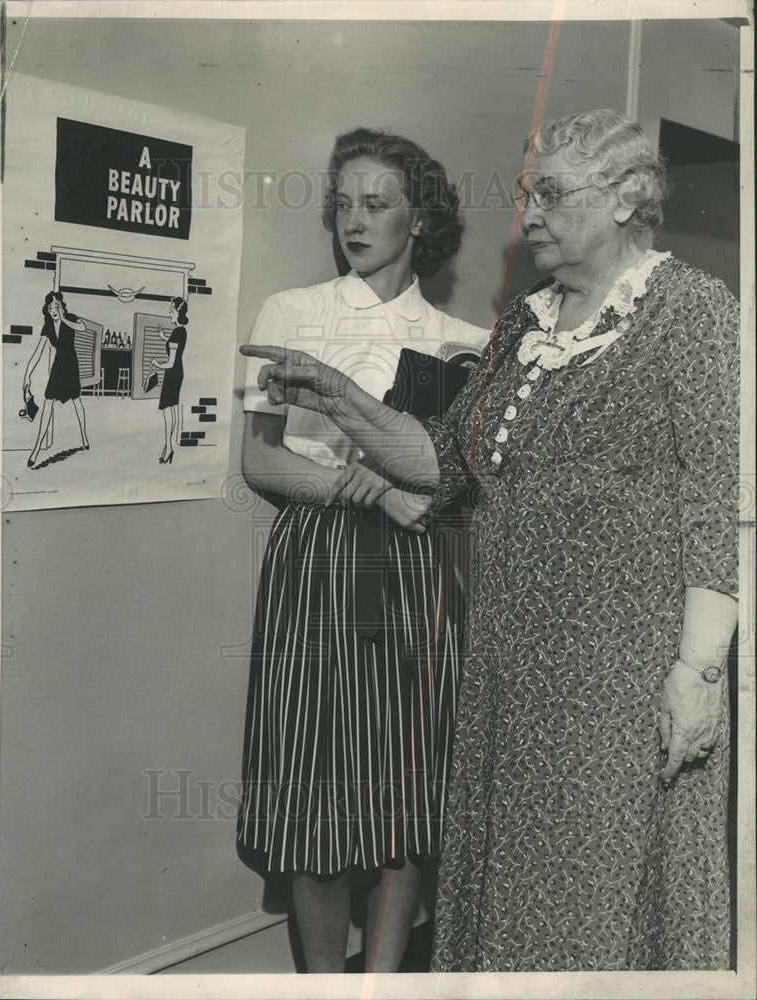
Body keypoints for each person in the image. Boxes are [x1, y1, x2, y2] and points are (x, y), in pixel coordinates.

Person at [241, 109, 739, 972]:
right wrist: (336, 395)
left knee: (592, 894)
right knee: (506, 886)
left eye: (550, 194)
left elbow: (719, 502)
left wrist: (699, 672)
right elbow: (443, 459)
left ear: (626, 201)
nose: (529, 215)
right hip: (507, 664)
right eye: (526, 195)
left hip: (618, 673)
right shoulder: (525, 323)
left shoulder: (692, 312)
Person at [237, 126, 488, 973]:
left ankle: (381, 983)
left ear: (420, 219)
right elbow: (260, 459)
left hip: (421, 570)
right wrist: (371, 489)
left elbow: (453, 482)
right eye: (343, 203)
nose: (354, 219)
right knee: (312, 783)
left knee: (406, 788)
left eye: (376, 204)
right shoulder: (292, 312)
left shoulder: (463, 340)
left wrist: (401, 491)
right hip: (315, 561)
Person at [23, 291, 90, 467]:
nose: (54, 310)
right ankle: (36, 450)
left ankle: (84, 437)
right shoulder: (47, 327)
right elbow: (38, 353)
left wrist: (64, 318)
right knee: (48, 402)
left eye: (57, 306)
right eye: (51, 307)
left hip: (71, 365)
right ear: (47, 309)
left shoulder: (72, 318)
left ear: (62, 307)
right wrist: (27, 376)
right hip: (59, 366)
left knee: (76, 400)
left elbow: (83, 328)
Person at [150, 296, 188, 464]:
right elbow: (175, 344)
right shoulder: (181, 331)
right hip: (177, 372)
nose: (169, 313)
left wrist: (156, 363)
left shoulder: (177, 332)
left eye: (171, 310)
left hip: (172, 373)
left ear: (178, 313)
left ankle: (168, 448)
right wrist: (164, 337)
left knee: (166, 409)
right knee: (171, 408)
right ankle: (168, 447)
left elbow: (170, 362)